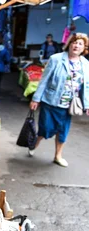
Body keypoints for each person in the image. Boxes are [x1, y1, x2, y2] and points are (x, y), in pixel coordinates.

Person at [29, 33, 89, 167]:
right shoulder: (56, 59)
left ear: (84, 48)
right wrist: (36, 99)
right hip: (51, 102)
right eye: (74, 42)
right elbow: (44, 80)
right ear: (69, 44)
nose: (76, 45)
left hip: (69, 105)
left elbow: (86, 86)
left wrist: (87, 105)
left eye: (80, 43)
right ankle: (34, 144)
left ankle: (58, 156)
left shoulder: (85, 64)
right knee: (46, 129)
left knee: (63, 131)